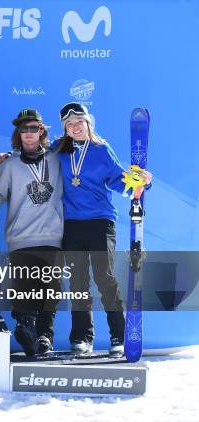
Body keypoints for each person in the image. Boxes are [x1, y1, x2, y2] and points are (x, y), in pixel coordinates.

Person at [55, 102, 152, 357]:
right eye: (70, 124)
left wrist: (142, 182)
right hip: (71, 224)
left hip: (100, 222)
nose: (75, 127)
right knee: (77, 281)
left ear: (89, 124)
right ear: (65, 128)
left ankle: (119, 336)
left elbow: (121, 182)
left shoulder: (102, 150)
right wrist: (9, 158)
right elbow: (34, 160)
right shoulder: (57, 150)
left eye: (79, 122)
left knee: (104, 277)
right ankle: (81, 337)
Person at [0, 109, 63, 355]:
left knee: (50, 288)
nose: (28, 133)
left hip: (52, 235)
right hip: (21, 237)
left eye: (33, 128)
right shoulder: (11, 164)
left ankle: (45, 336)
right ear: (18, 133)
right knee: (25, 285)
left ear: (42, 131)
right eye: (23, 129)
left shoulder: (57, 159)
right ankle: (26, 329)